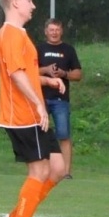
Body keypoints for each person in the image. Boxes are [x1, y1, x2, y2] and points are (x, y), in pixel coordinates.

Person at [0, 0, 67, 217]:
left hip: (35, 112)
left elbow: (24, 71)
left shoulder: (20, 35)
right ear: (15, 3)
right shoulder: (11, 34)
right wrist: (37, 103)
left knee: (57, 169)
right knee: (39, 171)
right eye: (29, 0)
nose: (33, 5)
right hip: (22, 115)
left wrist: (46, 82)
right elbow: (14, 74)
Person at [36, 18, 83, 177]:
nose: (54, 33)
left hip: (60, 99)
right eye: (51, 30)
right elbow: (28, 71)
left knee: (63, 134)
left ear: (61, 31)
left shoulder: (68, 49)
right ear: (45, 31)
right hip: (40, 98)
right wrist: (46, 70)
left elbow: (78, 74)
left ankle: (66, 172)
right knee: (40, 134)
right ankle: (43, 169)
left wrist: (64, 74)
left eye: (57, 30)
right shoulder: (39, 48)